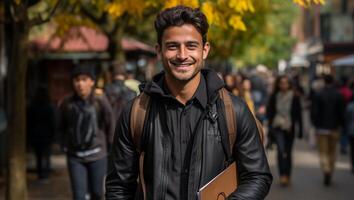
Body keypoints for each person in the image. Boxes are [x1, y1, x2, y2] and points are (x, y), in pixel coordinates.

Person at [106, 6, 272, 199]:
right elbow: (118, 187)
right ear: (159, 51)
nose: (182, 55)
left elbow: (257, 176)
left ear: (205, 50)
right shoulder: (136, 113)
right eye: (172, 46)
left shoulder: (234, 110)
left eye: (191, 46)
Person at [59, 65, 114, 200]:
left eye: (84, 79)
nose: (80, 84)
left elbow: (110, 124)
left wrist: (110, 148)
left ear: (92, 82)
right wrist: (64, 145)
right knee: (79, 195)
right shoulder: (66, 103)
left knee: (97, 193)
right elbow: (61, 126)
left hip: (97, 156)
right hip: (75, 157)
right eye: (77, 80)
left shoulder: (100, 100)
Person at [266, 75, 302, 187]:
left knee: (288, 152)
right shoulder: (274, 96)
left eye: (286, 83)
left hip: (290, 128)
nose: (283, 85)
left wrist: (300, 129)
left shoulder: (295, 97)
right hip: (277, 127)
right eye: (281, 83)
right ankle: (282, 175)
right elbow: (270, 112)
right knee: (281, 151)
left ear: (289, 84)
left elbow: (298, 115)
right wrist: (270, 127)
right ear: (278, 84)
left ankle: (288, 174)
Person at [311, 74, 345, 186]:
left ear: (324, 81)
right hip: (334, 127)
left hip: (322, 128)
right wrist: (341, 125)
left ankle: (326, 169)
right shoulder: (338, 95)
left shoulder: (319, 94)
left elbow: (315, 112)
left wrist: (316, 125)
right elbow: (341, 113)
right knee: (332, 151)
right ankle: (330, 169)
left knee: (323, 151)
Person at [27, 86, 56, 180]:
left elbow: (29, 122)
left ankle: (41, 174)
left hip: (36, 134)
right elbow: (52, 122)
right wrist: (53, 135)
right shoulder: (49, 107)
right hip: (46, 134)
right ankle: (45, 173)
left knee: (39, 156)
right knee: (46, 155)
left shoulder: (32, 106)